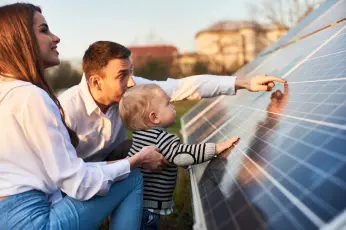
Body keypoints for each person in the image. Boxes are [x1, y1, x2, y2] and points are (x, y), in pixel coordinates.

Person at [0, 3, 167, 230]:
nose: (56, 38)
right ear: (20, 39)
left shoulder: (7, 92)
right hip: (33, 221)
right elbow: (76, 184)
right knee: (131, 178)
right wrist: (134, 162)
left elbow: (63, 174)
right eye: (44, 30)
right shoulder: (31, 96)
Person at [58, 41, 287, 163]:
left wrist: (244, 82)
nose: (131, 83)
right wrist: (132, 164)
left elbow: (183, 86)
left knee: (152, 147)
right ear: (96, 83)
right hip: (77, 179)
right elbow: (65, 174)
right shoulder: (65, 111)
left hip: (112, 162)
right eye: (122, 76)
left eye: (131, 72)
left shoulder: (131, 88)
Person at [118, 84, 241, 229]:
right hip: (146, 211)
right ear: (154, 117)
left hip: (135, 205)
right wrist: (216, 148)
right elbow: (182, 155)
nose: (173, 107)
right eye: (168, 104)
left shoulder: (140, 137)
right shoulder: (160, 138)